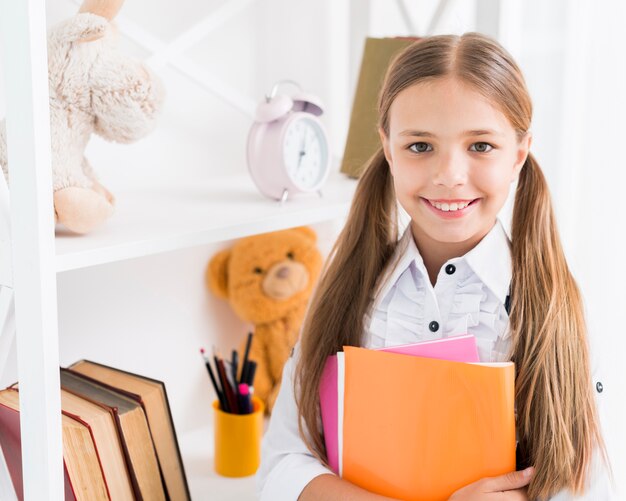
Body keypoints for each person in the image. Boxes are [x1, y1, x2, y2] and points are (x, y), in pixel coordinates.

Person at [257, 32, 612, 501]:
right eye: (420, 146)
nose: (449, 175)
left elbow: (588, 487)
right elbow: (282, 467)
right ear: (387, 147)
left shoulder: (555, 310)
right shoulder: (345, 290)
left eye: (481, 146)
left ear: (519, 154)